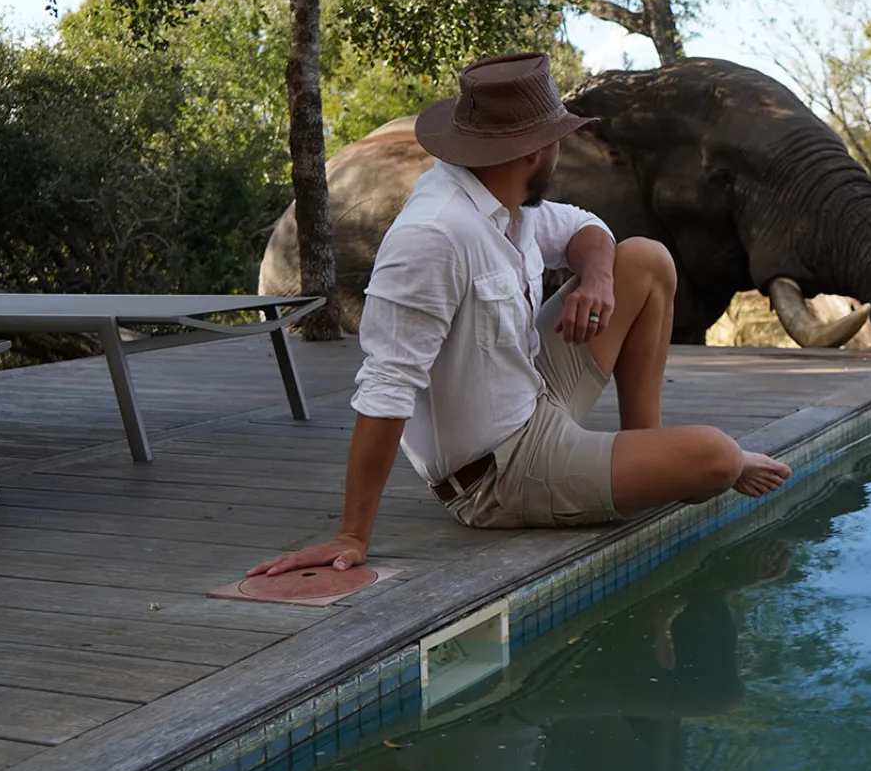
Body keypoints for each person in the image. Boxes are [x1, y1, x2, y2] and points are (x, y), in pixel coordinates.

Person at [250, 53, 790, 577]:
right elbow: (386, 386)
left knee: (645, 260)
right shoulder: (434, 237)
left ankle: (645, 447)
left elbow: (584, 228)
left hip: (533, 395)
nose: (560, 151)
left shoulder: (502, 199)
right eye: (557, 140)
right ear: (534, 152)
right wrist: (352, 535)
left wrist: (597, 280)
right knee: (718, 457)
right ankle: (664, 465)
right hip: (500, 472)